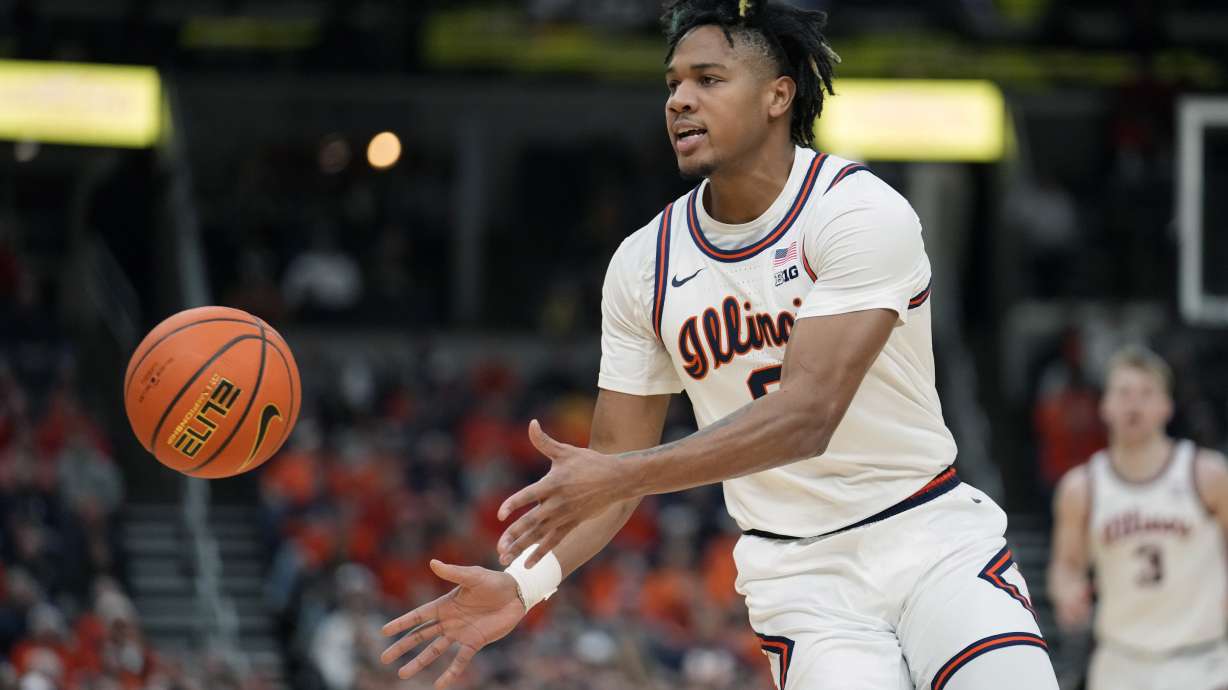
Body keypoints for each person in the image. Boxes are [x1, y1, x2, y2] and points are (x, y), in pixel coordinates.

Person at [381, 1, 1058, 688]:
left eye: (708, 79)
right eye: (673, 83)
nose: (680, 100)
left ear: (777, 95)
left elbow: (807, 416)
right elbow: (610, 473)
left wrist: (626, 473)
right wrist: (523, 585)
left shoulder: (858, 211)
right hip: (801, 575)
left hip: (926, 534)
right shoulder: (644, 264)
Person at [1048, 346, 1228, 690]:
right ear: (1105, 405)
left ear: (1166, 406)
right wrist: (1067, 591)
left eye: (1147, 393)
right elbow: (1066, 565)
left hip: (1201, 661)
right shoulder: (1081, 487)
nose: (1134, 404)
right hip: (1121, 663)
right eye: (1124, 393)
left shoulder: (1207, 474)